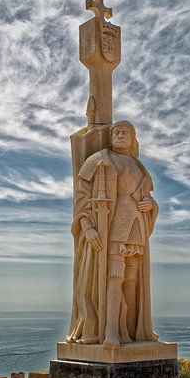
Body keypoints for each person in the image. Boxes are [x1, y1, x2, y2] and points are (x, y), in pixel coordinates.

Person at [67, 121, 159, 347]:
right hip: (112, 226)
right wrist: (87, 227)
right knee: (114, 277)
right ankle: (110, 332)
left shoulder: (140, 167)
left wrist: (151, 204)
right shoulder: (98, 160)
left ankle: (128, 330)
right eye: (116, 132)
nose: (119, 135)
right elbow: (82, 199)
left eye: (124, 132)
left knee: (132, 279)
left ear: (133, 137)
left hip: (136, 226)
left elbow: (148, 197)